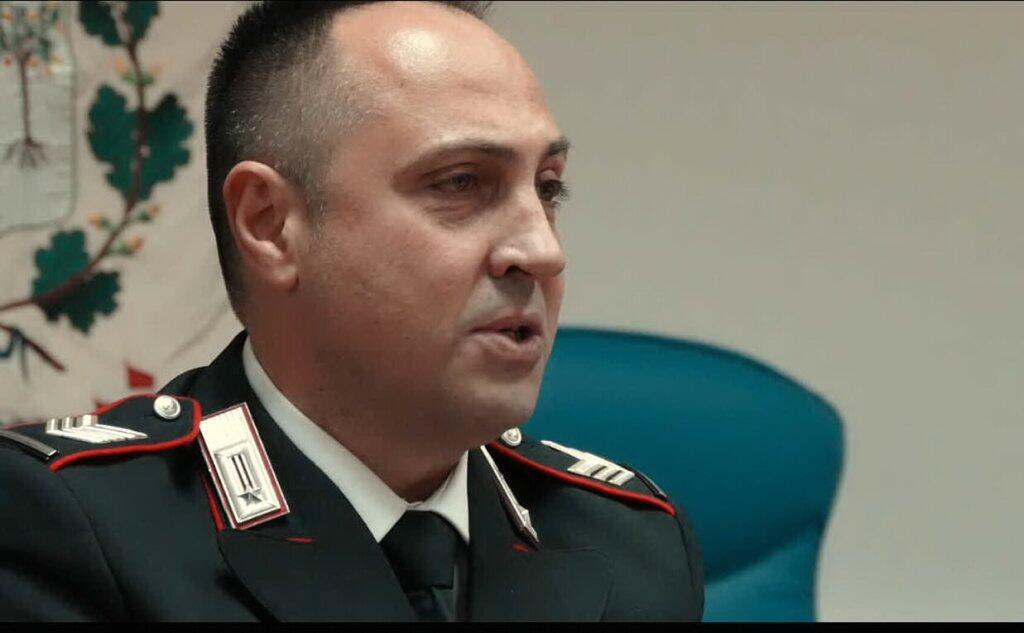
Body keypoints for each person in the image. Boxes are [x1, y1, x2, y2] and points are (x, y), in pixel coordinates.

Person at [0, 0, 703, 621]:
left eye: (548, 189)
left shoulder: (631, 543)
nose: (542, 250)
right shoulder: (71, 529)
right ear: (270, 225)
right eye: (461, 182)